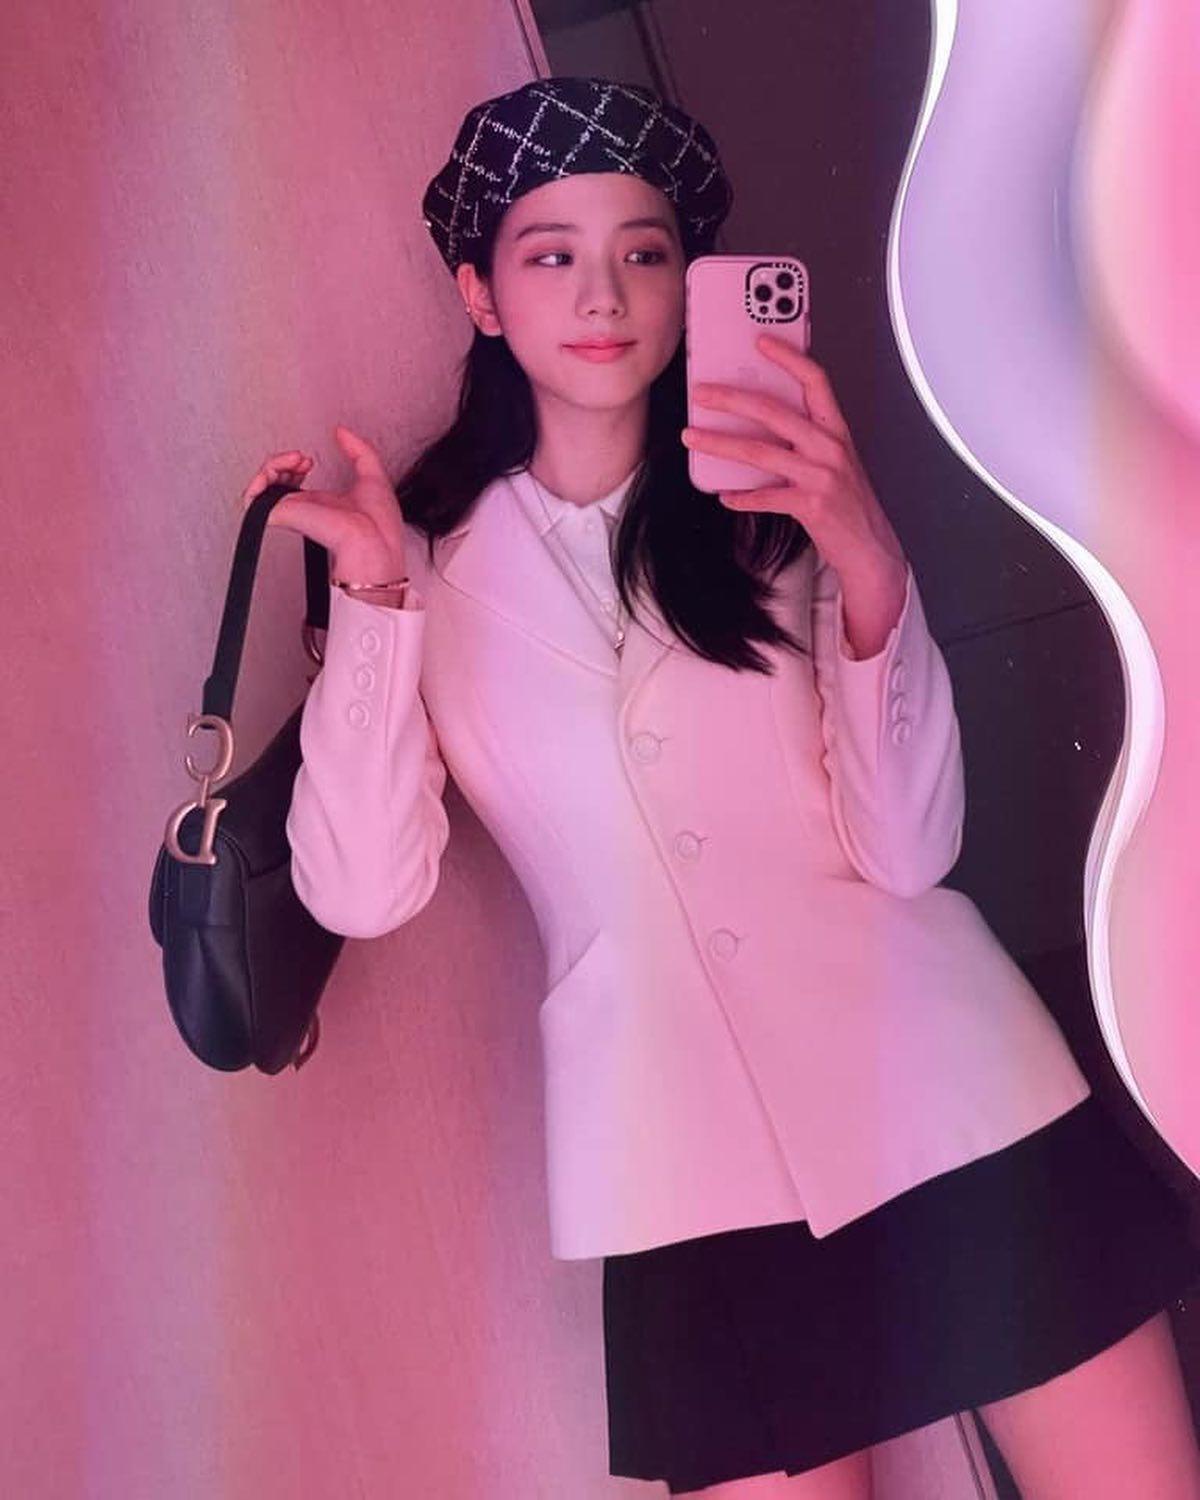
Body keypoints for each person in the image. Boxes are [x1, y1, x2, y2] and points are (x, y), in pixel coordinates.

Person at [243, 76, 1200, 1500]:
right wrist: (376, 601)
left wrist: (865, 551)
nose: (604, 293)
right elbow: (361, 889)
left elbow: (908, 847)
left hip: (953, 1098)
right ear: (481, 292)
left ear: (688, 283)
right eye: (551, 254)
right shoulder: (424, 568)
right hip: (680, 1172)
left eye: (643, 251)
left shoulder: (779, 509)